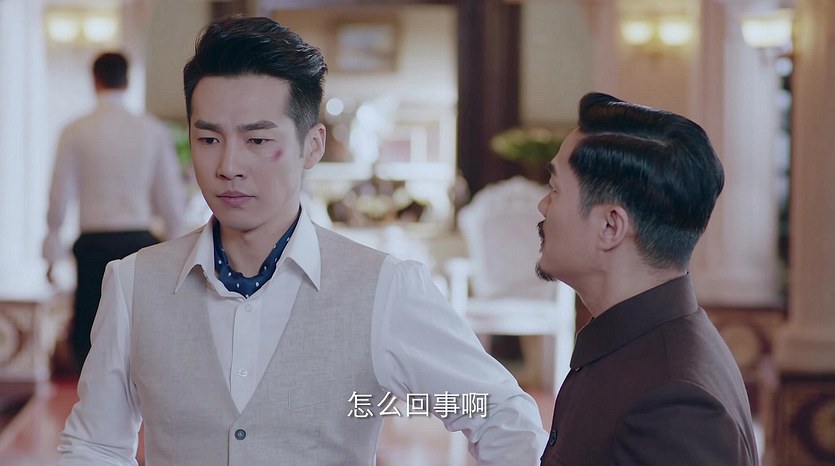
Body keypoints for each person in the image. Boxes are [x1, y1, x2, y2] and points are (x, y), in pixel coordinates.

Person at [57, 16, 546, 465]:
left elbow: (496, 411)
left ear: (312, 146)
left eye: (257, 140)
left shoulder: (383, 288)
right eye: (209, 139)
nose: (228, 165)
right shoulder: (134, 283)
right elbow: (94, 444)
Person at [536, 92, 759, 465]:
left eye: (555, 190)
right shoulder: (635, 344)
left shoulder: (676, 405)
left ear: (611, 226)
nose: (542, 205)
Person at [43, 51, 187, 370]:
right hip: (139, 243)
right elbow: (171, 199)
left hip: (92, 245)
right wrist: (177, 252)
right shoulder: (152, 129)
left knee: (91, 339)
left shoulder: (76, 130)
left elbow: (59, 194)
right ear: (128, 80)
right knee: (139, 335)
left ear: (94, 80)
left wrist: (51, 253)